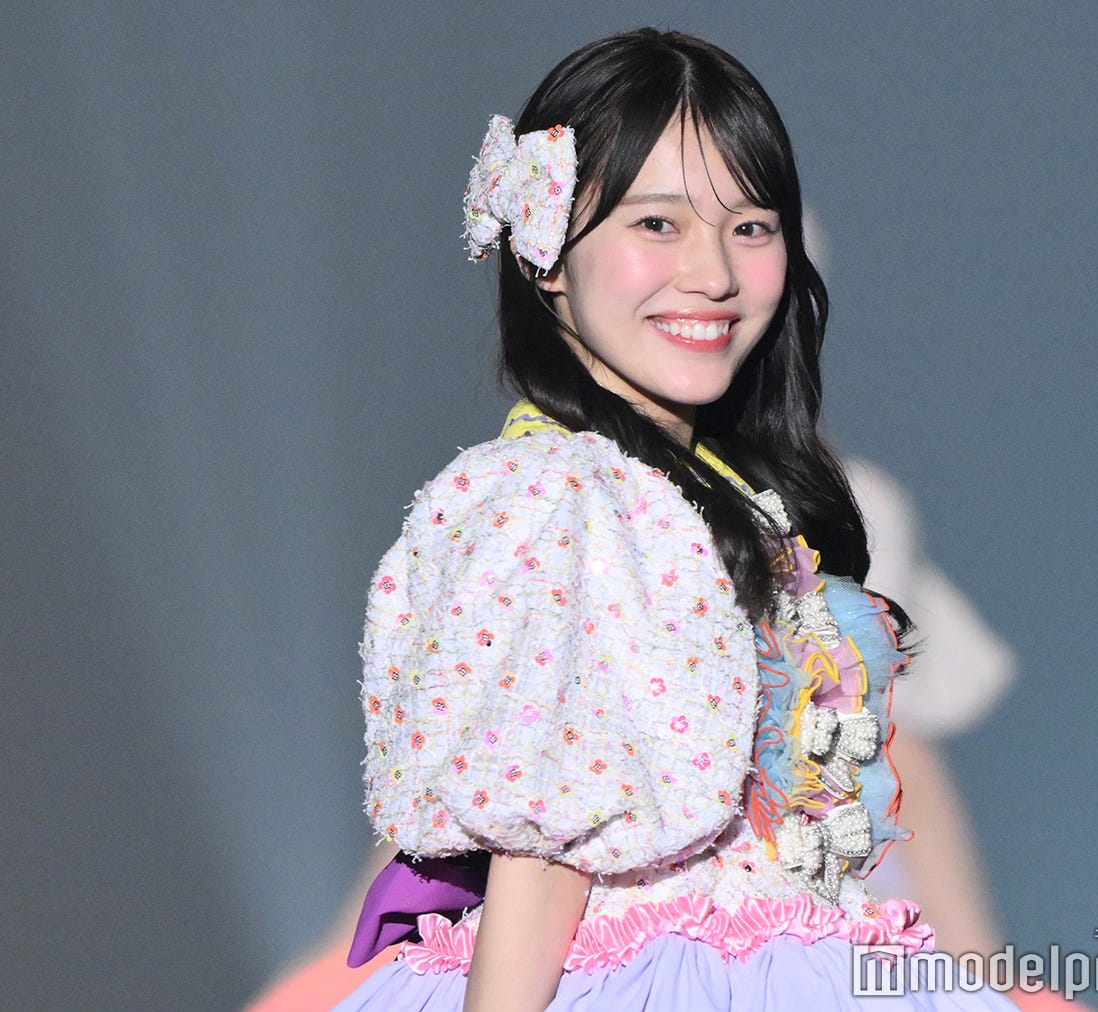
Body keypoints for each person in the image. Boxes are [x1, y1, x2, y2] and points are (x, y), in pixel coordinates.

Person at [334, 28, 1019, 1010]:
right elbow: (541, 848)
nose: (714, 272)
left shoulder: (728, 487)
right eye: (657, 223)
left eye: (751, 226)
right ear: (544, 253)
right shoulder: (558, 498)